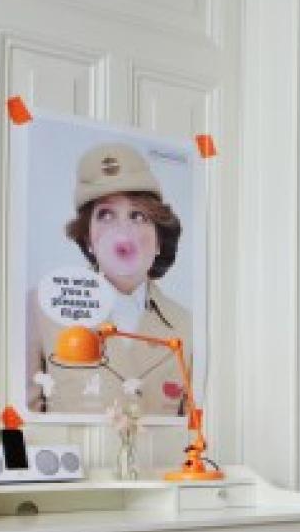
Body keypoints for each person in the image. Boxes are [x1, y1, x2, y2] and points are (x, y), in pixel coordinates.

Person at [27, 142, 193, 417]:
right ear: (88, 238)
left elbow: (193, 430)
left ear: (159, 240)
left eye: (138, 215)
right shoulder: (42, 308)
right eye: (105, 215)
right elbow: (27, 423)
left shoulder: (185, 325)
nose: (122, 231)